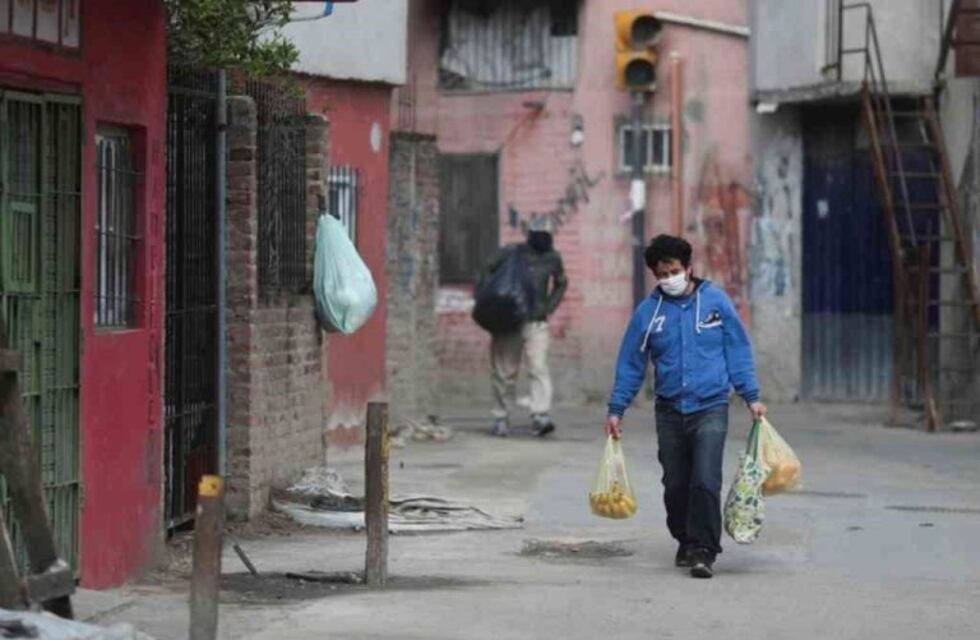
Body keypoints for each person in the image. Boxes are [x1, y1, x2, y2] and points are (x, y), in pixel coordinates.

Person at [605, 234, 766, 579]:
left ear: (689, 268)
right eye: (661, 275)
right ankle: (685, 539)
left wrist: (751, 396)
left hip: (711, 406)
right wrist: (617, 408)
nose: (668, 279)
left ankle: (704, 550)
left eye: (674, 271)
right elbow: (631, 363)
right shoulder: (649, 314)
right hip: (669, 411)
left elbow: (737, 350)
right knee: (676, 484)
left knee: (705, 480)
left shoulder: (716, 303)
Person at [483, 219, 568, 438]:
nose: (542, 239)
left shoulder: (552, 257)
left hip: (537, 322)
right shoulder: (512, 253)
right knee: (505, 372)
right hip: (509, 321)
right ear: (530, 235)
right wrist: (491, 300)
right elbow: (486, 270)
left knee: (538, 368)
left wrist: (549, 306)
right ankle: (500, 417)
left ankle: (540, 416)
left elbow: (561, 282)